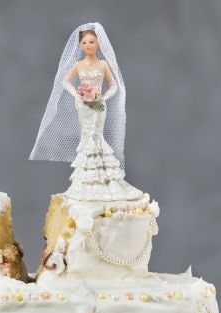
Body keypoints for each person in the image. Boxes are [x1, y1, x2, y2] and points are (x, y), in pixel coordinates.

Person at [29, 22, 143, 202]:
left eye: (91, 42)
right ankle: (87, 182)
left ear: (98, 43)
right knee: (87, 136)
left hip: (98, 105)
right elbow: (65, 81)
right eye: (84, 43)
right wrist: (76, 94)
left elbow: (114, 85)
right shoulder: (77, 65)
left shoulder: (103, 64)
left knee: (97, 136)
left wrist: (103, 97)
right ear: (80, 45)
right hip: (84, 107)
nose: (88, 45)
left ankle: (103, 180)